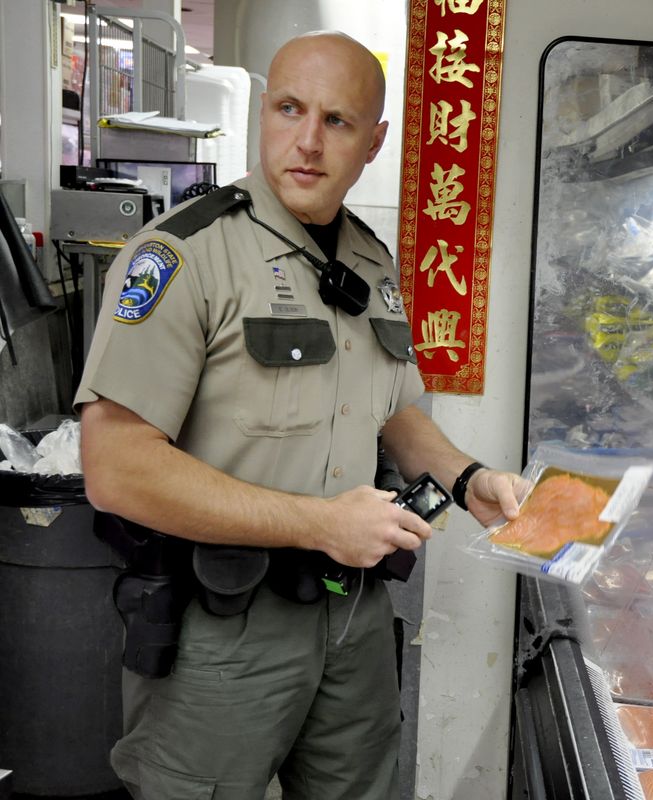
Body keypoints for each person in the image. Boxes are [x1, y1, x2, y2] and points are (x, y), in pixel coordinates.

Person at [74, 31, 521, 799]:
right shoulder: (184, 256)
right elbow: (115, 469)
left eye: (338, 121)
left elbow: (392, 408)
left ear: (374, 141)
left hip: (353, 619)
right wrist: (319, 525)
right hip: (222, 631)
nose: (307, 142)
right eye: (288, 109)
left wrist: (468, 477)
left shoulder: (371, 263)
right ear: (261, 116)